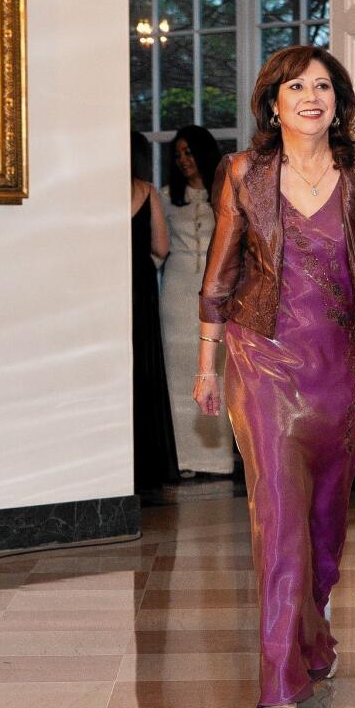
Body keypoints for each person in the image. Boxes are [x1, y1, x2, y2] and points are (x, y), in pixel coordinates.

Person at [194, 46, 355, 708]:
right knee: (278, 518)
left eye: (323, 86)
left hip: (339, 370)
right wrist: (207, 364)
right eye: (298, 86)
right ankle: (281, 676)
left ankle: (313, 630)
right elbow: (219, 276)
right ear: (273, 102)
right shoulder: (243, 173)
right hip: (260, 359)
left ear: (339, 103)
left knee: (325, 520)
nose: (311, 96)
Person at [159, 126, 233, 477]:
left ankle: (217, 460)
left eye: (189, 153)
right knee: (178, 371)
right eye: (178, 156)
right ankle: (182, 459)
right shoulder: (164, 198)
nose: (184, 161)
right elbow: (157, 247)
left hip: (217, 294)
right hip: (176, 290)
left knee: (216, 368)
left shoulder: (228, 194)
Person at [130, 132, 179, 492]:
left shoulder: (95, 191)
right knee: (145, 368)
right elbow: (161, 247)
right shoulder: (147, 191)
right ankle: (150, 464)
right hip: (141, 285)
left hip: (109, 286)